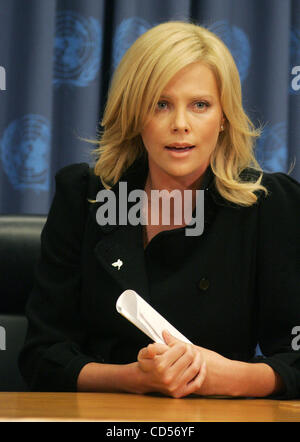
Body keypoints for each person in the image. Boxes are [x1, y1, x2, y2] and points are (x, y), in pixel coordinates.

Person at [19, 21, 300, 399]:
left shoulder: (267, 204)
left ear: (223, 118)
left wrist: (228, 377)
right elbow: (41, 356)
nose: (180, 125)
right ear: (136, 115)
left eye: (200, 105)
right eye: (161, 105)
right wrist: (132, 378)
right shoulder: (85, 197)